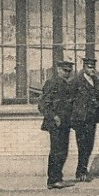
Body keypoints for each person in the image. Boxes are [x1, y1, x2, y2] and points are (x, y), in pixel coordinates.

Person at [38, 59, 79, 189]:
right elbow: (43, 105)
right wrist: (54, 116)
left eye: (69, 71)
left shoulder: (66, 84)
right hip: (55, 124)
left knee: (63, 151)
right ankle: (53, 179)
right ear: (58, 70)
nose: (67, 73)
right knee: (57, 151)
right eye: (64, 70)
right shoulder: (52, 83)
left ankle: (57, 178)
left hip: (65, 123)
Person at [68, 58, 99, 182]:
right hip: (81, 119)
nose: (92, 69)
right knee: (82, 146)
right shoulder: (76, 81)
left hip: (92, 119)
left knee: (89, 145)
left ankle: (83, 169)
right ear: (84, 67)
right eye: (89, 67)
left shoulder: (95, 80)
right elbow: (70, 100)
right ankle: (80, 171)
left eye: (93, 67)